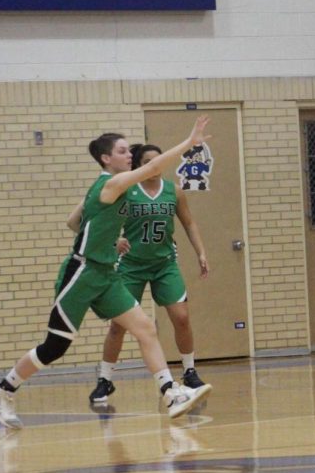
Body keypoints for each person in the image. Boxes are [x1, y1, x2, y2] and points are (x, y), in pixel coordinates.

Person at [0, 117, 212, 429]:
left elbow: (75, 221)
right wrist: (189, 143)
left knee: (145, 328)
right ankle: (0, 390)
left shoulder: (115, 187)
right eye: (122, 151)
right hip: (82, 273)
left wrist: (109, 238)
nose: (129, 154)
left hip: (106, 274)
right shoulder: (111, 184)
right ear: (106, 158)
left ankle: (170, 393)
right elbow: (153, 169)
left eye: (129, 151)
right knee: (55, 346)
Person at [70, 143, 211, 405]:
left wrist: (201, 252)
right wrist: (112, 242)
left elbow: (189, 223)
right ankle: (105, 379)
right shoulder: (124, 189)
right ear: (138, 165)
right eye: (148, 162)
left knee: (181, 317)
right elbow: (87, 222)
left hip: (164, 264)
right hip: (130, 265)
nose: (154, 167)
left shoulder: (174, 192)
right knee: (118, 327)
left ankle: (190, 371)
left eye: (157, 162)